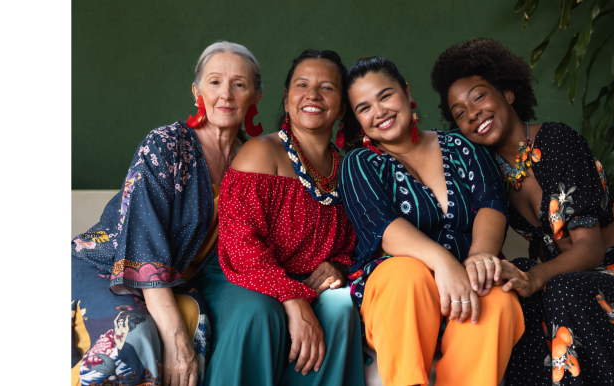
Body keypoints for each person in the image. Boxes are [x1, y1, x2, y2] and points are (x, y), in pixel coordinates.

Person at [431, 37, 614, 385]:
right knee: (510, 285)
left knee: (556, 286)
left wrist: (535, 278)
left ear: (507, 93)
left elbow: (590, 250)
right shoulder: (490, 175)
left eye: (479, 97)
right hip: (566, 287)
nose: (473, 113)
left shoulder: (556, 142)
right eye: (460, 113)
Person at [71, 41, 264, 386]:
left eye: (239, 84)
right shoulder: (165, 144)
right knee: (133, 336)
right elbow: (143, 248)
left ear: (255, 96)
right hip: (104, 265)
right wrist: (175, 341)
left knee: (199, 329)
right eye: (215, 82)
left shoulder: (253, 161)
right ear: (197, 91)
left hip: (175, 282)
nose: (226, 95)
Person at [338, 56, 525, 386]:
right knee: (405, 273)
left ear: (406, 91)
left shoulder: (461, 145)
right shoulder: (360, 163)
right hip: (402, 294)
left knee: (497, 296)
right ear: (357, 119)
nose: (379, 112)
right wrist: (444, 264)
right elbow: (384, 227)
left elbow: (491, 203)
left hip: (468, 282)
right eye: (364, 107)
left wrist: (480, 256)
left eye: (385, 96)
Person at [194, 49, 365, 386]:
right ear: (287, 99)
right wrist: (291, 297)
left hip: (307, 280)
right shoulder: (261, 152)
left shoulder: (349, 169)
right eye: (302, 85)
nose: (313, 95)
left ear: (342, 105)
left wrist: (340, 267)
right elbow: (241, 244)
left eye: (327, 87)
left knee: (341, 306)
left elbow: (362, 241)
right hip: (241, 273)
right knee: (260, 312)